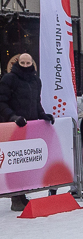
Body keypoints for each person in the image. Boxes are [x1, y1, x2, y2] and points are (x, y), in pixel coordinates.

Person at [0, 53, 55, 211]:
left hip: (29, 128)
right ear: (18, 62)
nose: (25, 65)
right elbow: (1, 101)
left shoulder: (36, 80)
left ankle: (22, 194)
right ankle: (15, 198)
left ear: (32, 63)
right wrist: (12, 117)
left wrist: (42, 115)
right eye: (22, 62)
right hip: (13, 127)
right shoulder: (8, 79)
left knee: (25, 162)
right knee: (15, 162)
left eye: (27, 62)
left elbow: (36, 102)